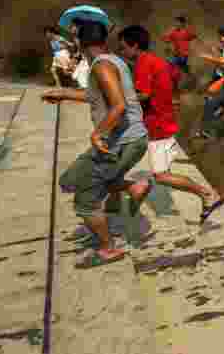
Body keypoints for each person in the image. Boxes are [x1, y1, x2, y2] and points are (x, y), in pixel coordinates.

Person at [42, 20, 151, 268]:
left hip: (123, 142)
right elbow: (99, 97)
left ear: (81, 42)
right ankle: (134, 187)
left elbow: (119, 106)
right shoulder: (112, 61)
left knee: (86, 200)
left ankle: (108, 249)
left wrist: (97, 133)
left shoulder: (102, 66)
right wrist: (64, 93)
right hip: (122, 141)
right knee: (70, 180)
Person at [118, 26, 224, 223]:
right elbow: (175, 76)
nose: (122, 52)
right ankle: (208, 195)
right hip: (164, 120)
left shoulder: (143, 63)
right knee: (160, 173)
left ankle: (208, 194)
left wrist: (119, 97)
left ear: (134, 45)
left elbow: (143, 94)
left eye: (123, 48)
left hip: (157, 125)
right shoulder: (158, 60)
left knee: (161, 176)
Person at [162, 16, 198, 80]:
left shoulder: (186, 31)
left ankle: (176, 78)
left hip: (184, 54)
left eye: (177, 22)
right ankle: (189, 75)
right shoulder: (174, 32)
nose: (176, 24)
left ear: (182, 24)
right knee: (181, 66)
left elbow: (194, 35)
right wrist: (167, 38)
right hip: (177, 54)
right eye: (175, 23)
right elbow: (165, 38)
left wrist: (190, 27)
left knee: (174, 65)